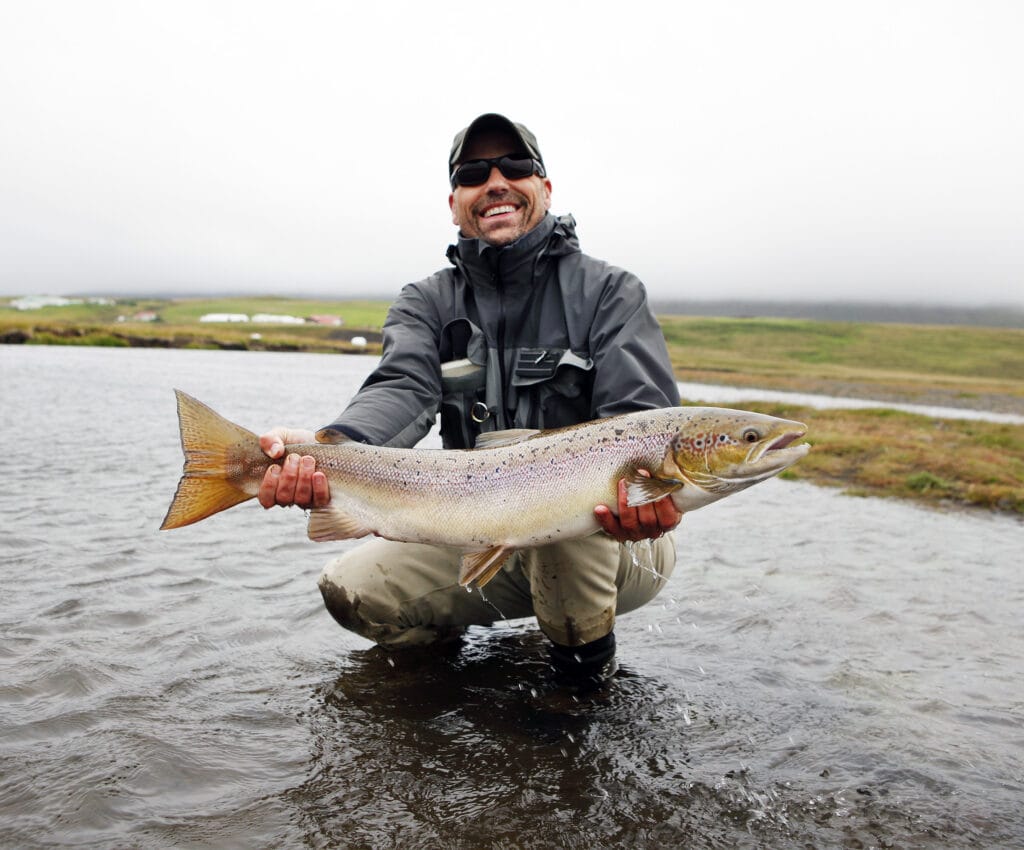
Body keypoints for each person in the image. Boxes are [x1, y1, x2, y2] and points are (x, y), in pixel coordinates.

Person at [258, 113, 682, 688]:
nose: (496, 182)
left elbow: (644, 423)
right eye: (474, 172)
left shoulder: (610, 292)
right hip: (476, 528)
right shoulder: (426, 302)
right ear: (455, 201)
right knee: (354, 591)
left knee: (560, 515)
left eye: (515, 166)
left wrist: (647, 493)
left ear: (545, 188)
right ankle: (446, 678)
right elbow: (401, 388)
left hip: (615, 540)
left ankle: (579, 687)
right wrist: (333, 448)